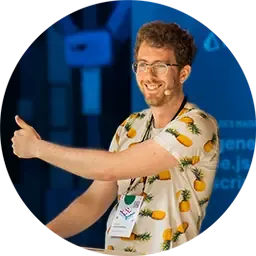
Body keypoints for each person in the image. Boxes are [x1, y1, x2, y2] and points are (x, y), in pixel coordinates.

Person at [11, 21, 220, 255]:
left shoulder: (196, 125)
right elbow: (93, 201)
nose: (148, 76)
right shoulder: (131, 125)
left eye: (160, 66)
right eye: (142, 65)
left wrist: (38, 149)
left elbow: (110, 168)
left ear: (183, 73)